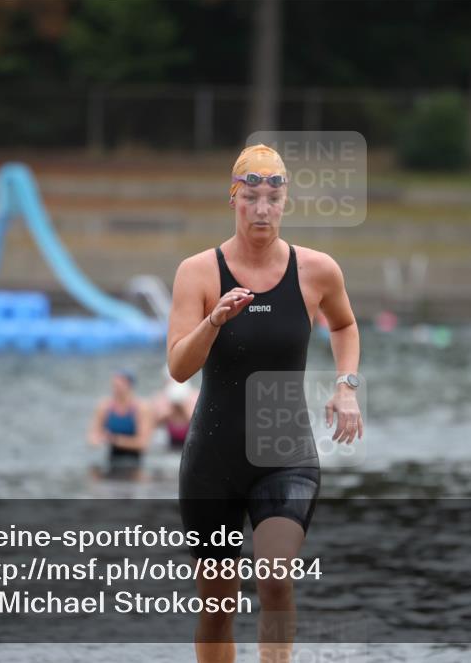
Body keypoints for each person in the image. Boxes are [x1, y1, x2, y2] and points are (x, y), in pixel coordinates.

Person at [167, 144, 363, 662]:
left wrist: (347, 385)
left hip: (285, 448)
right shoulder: (199, 273)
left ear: (285, 203)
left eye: (272, 198)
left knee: (274, 576)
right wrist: (214, 323)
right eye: (250, 197)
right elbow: (178, 367)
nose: (261, 210)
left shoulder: (316, 270)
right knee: (217, 606)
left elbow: (343, 324)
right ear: (233, 199)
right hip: (213, 458)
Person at [87, 370, 154, 474]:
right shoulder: (104, 406)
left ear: (129, 386)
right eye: (114, 386)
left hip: (135, 461)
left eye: (118, 386)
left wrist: (115, 440)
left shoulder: (141, 408)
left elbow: (143, 444)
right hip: (112, 459)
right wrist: (97, 440)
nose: (115, 389)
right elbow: (92, 437)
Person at [152, 370, 199, 449]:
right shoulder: (161, 398)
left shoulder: (194, 397)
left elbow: (198, 424)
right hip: (170, 440)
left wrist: (183, 409)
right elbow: (153, 424)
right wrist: (170, 413)